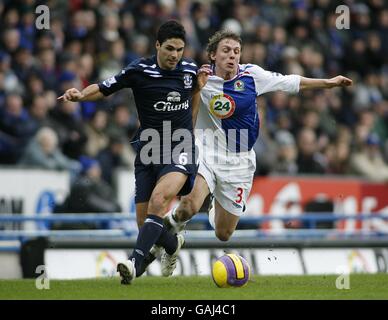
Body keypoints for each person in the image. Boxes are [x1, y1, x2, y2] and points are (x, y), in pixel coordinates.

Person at [149, 29, 352, 276]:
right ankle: (169, 238)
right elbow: (175, 101)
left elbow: (290, 81)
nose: (232, 56)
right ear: (213, 55)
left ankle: (209, 205)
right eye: (226, 51)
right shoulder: (200, 78)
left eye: (236, 51)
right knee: (188, 206)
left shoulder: (252, 75)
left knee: (224, 234)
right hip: (207, 152)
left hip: (240, 162)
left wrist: (328, 83)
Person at [58, 21, 202, 284]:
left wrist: (190, 127)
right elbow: (104, 87)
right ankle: (171, 245)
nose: (175, 55)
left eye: (180, 49)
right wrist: (80, 95)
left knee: (159, 202)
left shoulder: (190, 69)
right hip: (148, 149)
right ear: (157, 45)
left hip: (180, 146)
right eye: (170, 48)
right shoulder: (139, 70)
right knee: (145, 222)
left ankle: (134, 265)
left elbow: (196, 92)